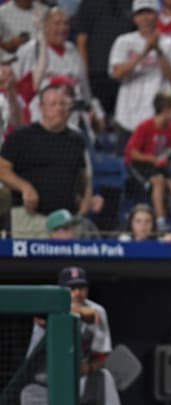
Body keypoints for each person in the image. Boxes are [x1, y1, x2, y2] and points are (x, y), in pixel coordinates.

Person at [0, 83, 90, 238]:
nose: (59, 108)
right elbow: (2, 169)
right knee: (28, 262)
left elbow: (83, 176)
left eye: (63, 104)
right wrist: (24, 187)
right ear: (41, 108)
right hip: (30, 218)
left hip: (65, 221)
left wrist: (86, 199)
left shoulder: (76, 140)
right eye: (53, 104)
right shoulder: (22, 136)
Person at [24, 266, 120, 405]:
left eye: (82, 288)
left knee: (103, 377)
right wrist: (81, 312)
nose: (77, 293)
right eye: (72, 288)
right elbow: (41, 316)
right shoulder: (47, 307)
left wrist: (90, 367)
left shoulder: (98, 310)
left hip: (77, 385)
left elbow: (101, 355)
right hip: (43, 384)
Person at [108, 0, 171, 154]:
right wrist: (144, 52)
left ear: (156, 15)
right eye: (140, 14)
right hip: (128, 117)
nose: (144, 18)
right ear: (134, 18)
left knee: (157, 167)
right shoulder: (123, 42)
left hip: (159, 119)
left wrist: (157, 50)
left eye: (148, 13)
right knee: (125, 167)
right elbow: (116, 73)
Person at [123, 91, 171, 231]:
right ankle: (161, 222)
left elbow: (166, 151)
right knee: (158, 182)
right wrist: (152, 159)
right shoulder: (145, 126)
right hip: (138, 164)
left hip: (156, 165)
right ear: (166, 110)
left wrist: (168, 159)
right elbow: (132, 153)